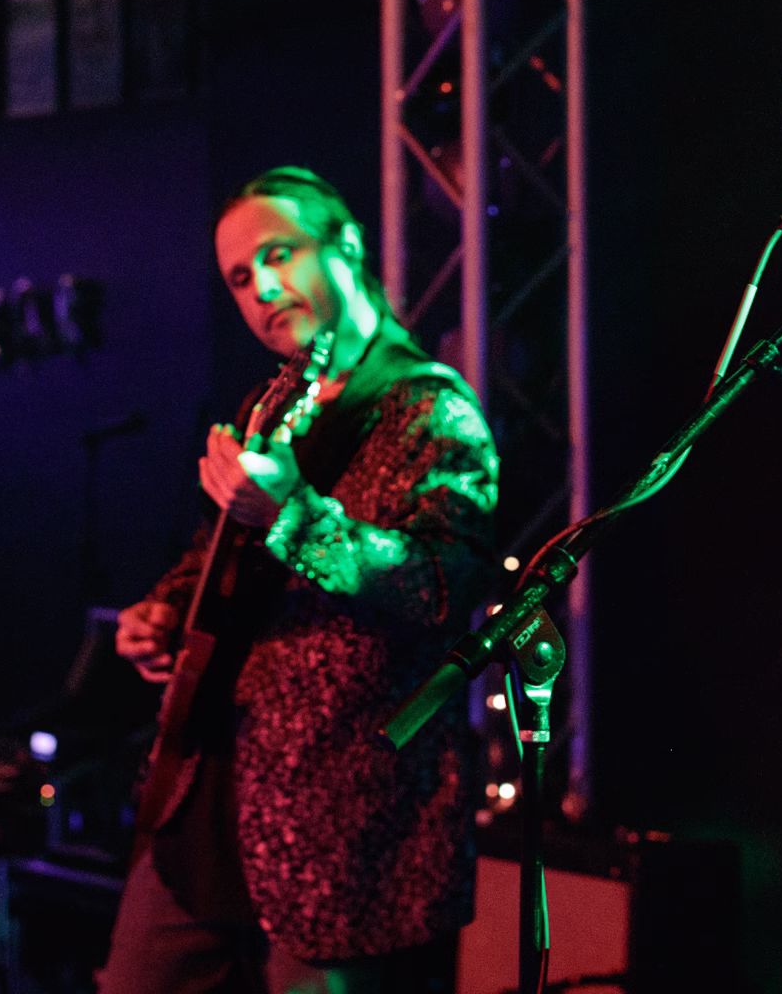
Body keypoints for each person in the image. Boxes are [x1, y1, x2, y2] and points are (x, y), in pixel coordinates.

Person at [104, 167, 500, 994]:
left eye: (278, 254)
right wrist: (167, 610)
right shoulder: (272, 403)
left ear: (345, 244)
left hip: (344, 813)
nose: (262, 289)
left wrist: (292, 514)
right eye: (240, 278)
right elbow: (218, 555)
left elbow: (436, 584)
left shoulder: (430, 410)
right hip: (215, 790)